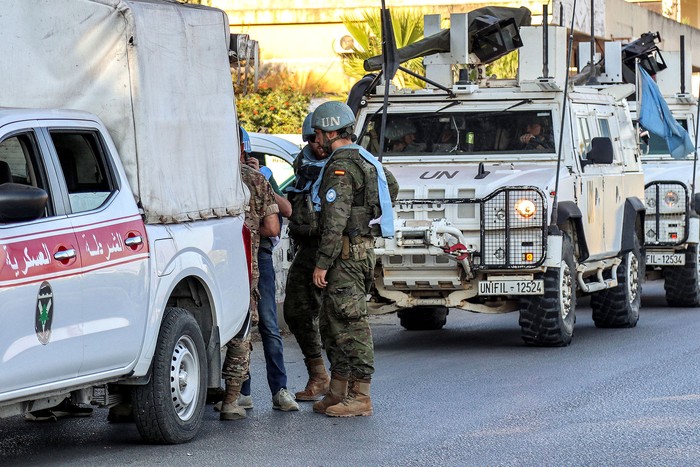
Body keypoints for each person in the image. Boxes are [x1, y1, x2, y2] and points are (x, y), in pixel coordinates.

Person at [309, 101, 398, 417]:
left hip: (345, 257)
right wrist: (368, 213)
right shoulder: (366, 159)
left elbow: (335, 219)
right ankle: (338, 391)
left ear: (331, 132)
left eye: (318, 133)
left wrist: (322, 262)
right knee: (333, 323)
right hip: (358, 252)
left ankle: (360, 396)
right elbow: (392, 186)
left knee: (351, 325)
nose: (316, 140)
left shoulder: (340, 167)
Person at [219, 126, 282, 421]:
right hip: (245, 266)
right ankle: (232, 400)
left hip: (207, 263)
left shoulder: (206, 178)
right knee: (242, 331)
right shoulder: (254, 179)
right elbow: (273, 227)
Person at [236, 127, 298, 413]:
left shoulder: (257, 179)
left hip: (233, 256)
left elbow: (286, 210)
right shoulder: (253, 179)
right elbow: (273, 226)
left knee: (241, 325)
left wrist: (266, 182)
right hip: (257, 254)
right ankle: (279, 390)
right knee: (268, 325)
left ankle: (240, 391)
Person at [283, 112, 331, 401]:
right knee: (296, 311)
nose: (317, 143)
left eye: (321, 136)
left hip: (337, 248)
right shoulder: (303, 164)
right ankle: (318, 374)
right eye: (312, 138)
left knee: (336, 317)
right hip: (308, 246)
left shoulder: (349, 161)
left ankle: (345, 383)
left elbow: (387, 189)